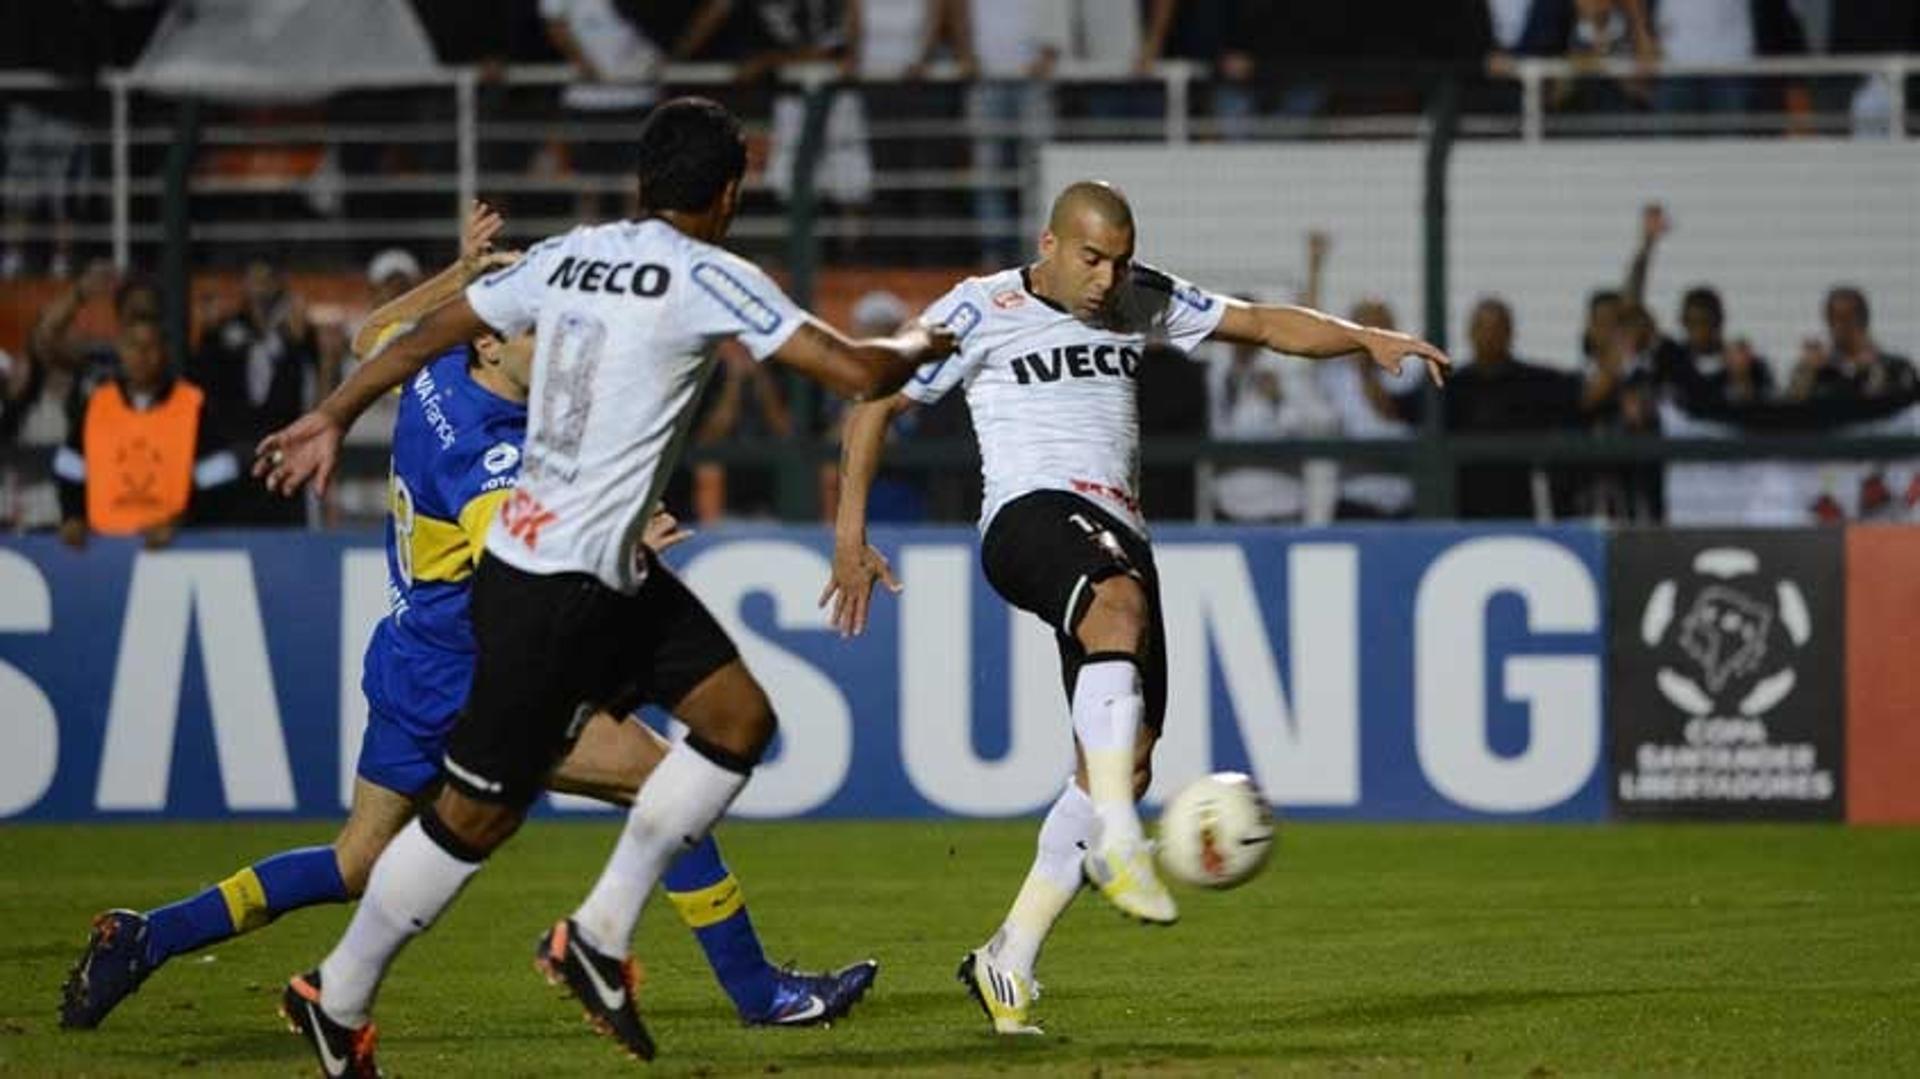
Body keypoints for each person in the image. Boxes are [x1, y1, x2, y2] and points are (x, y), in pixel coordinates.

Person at [254, 98, 955, 1075]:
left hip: (586, 571)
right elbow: (854, 369)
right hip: (554, 590)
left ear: (641, 181)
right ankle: (342, 991)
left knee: (739, 720)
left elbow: (417, 338)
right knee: (471, 818)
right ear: (731, 188)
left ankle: (595, 931)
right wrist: (931, 340)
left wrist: (331, 416)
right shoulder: (711, 272)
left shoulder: (568, 256)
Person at [58, 206, 876, 1038]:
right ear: (491, 342)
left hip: (412, 656)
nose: (555, 343)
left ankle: (147, 935)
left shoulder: (436, 372)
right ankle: (759, 991)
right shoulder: (486, 447)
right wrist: (623, 534)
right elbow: (510, 552)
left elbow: (372, 336)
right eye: (534, 331)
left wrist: (458, 275)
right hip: (469, 669)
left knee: (356, 863)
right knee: (667, 780)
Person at [822, 180, 1448, 1035]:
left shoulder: (1139, 298)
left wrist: (1364, 338)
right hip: (1028, 515)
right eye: (1091, 258)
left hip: (1119, 532)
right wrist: (848, 535)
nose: (1106, 277)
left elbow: (1261, 323)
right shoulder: (980, 308)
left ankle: (1009, 954)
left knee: (1131, 753)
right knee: (1114, 612)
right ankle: (1119, 836)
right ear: (1048, 243)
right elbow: (876, 398)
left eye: (1117, 259)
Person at [50, 314, 238, 550]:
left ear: (165, 350)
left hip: (174, 549)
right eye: (133, 345)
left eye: (151, 346)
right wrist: (73, 517)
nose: (142, 354)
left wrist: (181, 524)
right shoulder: (97, 404)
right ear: (120, 349)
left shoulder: (192, 405)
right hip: (100, 548)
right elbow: (69, 469)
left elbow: (220, 481)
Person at [187, 259, 325, 527]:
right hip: (230, 450)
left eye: (268, 278)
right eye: (255, 278)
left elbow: (317, 390)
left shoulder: (297, 332)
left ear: (280, 284)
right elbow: (201, 383)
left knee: (283, 527)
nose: (261, 286)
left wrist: (304, 345)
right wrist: (205, 334)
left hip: (280, 453)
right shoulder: (224, 330)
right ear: (244, 284)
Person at [1785, 286, 1917, 404]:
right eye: (1833, 318)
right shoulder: (1820, 370)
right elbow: (1793, 409)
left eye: (1847, 318)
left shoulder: (1895, 367)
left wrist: (1868, 369)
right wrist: (1807, 372)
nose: (1839, 326)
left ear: (1863, 319)